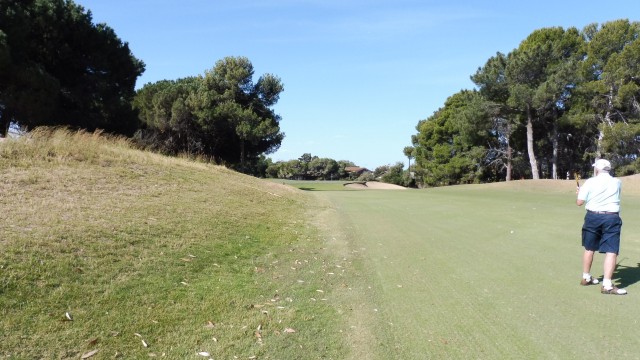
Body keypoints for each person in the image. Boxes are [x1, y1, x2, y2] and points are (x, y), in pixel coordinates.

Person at [576, 159, 626, 295]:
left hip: (592, 217)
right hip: (611, 217)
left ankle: (586, 277)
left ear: (597, 169)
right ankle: (607, 284)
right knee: (611, 250)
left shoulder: (590, 182)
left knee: (589, 248)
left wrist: (580, 192)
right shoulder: (617, 182)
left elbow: (579, 202)